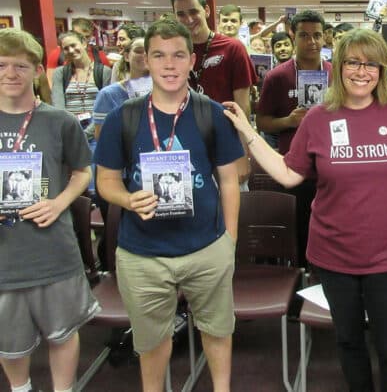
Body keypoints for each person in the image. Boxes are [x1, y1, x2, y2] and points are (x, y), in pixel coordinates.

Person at [224, 28, 387, 392]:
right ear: (339, 66)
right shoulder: (318, 118)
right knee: (348, 341)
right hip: (333, 254)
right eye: (353, 63)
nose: (362, 72)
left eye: (371, 64)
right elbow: (287, 173)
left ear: (382, 70)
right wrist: (247, 133)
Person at [94, 19, 243, 392]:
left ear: (192, 60)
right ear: (146, 59)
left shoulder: (211, 114)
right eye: (159, 55)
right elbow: (106, 181)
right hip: (142, 253)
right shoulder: (122, 117)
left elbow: (230, 180)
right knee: (152, 341)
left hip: (207, 247)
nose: (169, 64)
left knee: (218, 329)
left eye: (178, 55)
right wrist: (127, 198)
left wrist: (229, 241)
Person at [0, 28, 99, 392]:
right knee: (8, 338)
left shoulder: (60, 121)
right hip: (4, 256)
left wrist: (59, 202)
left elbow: (81, 172)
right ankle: (20, 388)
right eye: (2, 65)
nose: (11, 74)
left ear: (39, 71)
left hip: (52, 248)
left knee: (63, 331)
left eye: (21, 66)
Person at [255, 10, 332, 266]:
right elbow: (263, 121)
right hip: (295, 169)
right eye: (304, 36)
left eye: (317, 36)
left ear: (325, 38)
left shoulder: (337, 74)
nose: (312, 42)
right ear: (293, 36)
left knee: (331, 234)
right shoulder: (277, 76)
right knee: (300, 234)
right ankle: (301, 287)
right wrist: (289, 121)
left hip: (332, 167)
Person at [170, 0, 256, 115]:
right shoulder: (172, 52)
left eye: (194, 12)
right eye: (181, 14)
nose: (189, 19)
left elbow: (243, 107)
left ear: (206, 11)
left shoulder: (233, 49)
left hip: (223, 130)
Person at [51, 31, 112, 144]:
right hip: (70, 132)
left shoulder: (104, 72)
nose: (71, 50)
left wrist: (86, 134)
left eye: (73, 45)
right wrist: (72, 132)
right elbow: (58, 107)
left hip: (97, 132)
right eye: (66, 48)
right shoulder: (60, 73)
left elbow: (106, 108)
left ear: (84, 43)